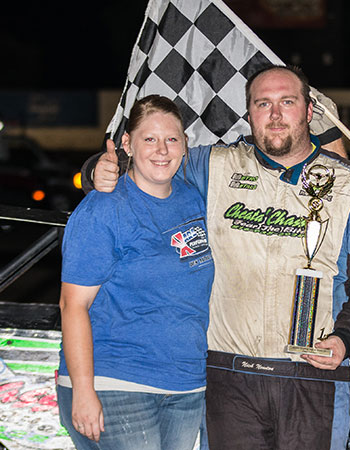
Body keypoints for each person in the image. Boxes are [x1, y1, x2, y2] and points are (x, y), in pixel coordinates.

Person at [87, 65, 350, 450]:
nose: (274, 115)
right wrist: (99, 169)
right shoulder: (213, 165)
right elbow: (152, 161)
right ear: (249, 113)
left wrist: (346, 339)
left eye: (287, 102)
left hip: (314, 377)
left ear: (309, 111)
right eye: (263, 104)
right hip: (228, 376)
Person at [58, 95, 214, 449]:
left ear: (185, 144)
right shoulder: (104, 208)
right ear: (127, 143)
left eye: (172, 139)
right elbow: (72, 305)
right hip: (115, 381)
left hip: (186, 384)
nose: (162, 150)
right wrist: (83, 390)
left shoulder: (193, 198)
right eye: (150, 139)